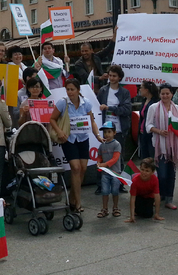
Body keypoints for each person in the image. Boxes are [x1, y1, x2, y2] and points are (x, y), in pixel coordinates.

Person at [49, 79, 102, 213]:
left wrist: (97, 135)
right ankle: (78, 202)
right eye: (68, 89)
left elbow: (92, 121)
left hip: (83, 138)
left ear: (78, 90)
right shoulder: (63, 103)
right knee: (75, 167)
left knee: (83, 168)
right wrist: (59, 131)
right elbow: (52, 119)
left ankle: (72, 199)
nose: (70, 92)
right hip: (69, 139)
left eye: (72, 89)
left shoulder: (86, 104)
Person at [96, 65, 131, 194]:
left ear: (119, 77)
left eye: (114, 76)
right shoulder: (103, 90)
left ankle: (119, 184)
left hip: (119, 129)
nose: (111, 78)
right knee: (103, 156)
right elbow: (98, 107)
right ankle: (101, 185)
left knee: (119, 158)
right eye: (110, 75)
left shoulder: (124, 92)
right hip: (105, 129)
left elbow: (127, 110)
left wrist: (110, 108)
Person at [146, 84, 178, 210]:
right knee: (162, 174)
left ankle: (169, 199)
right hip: (159, 145)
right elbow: (148, 126)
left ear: (172, 94)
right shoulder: (153, 108)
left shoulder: (177, 108)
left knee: (171, 174)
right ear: (159, 95)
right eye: (163, 94)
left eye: (167, 93)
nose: (165, 96)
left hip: (173, 146)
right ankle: (158, 197)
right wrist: (159, 131)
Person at [125, 158, 164, 223]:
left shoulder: (155, 179)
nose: (144, 173)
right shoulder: (135, 180)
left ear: (152, 172)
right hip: (138, 197)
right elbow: (132, 198)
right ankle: (136, 210)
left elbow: (157, 196)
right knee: (139, 212)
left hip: (149, 197)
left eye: (147, 171)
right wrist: (131, 216)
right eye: (142, 170)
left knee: (148, 215)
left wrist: (157, 214)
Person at [96, 121, 122, 218]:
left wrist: (104, 164)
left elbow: (115, 158)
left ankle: (115, 207)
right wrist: (98, 162)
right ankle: (105, 209)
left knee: (115, 190)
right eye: (105, 132)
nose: (107, 134)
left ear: (114, 133)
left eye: (109, 131)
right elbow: (99, 156)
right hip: (105, 173)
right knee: (105, 191)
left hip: (115, 172)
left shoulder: (117, 144)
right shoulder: (102, 145)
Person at [137, 80, 159, 159]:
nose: (139, 89)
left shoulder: (155, 103)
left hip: (151, 134)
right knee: (144, 157)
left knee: (152, 157)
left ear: (146, 90)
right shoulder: (144, 101)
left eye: (141, 88)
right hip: (143, 133)